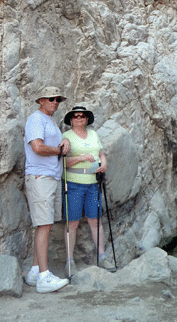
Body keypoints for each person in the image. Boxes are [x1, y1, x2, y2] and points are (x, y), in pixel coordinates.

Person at [24, 86, 70, 293]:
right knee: (43, 225)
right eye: (51, 99)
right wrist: (59, 150)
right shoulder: (36, 119)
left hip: (50, 177)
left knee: (46, 224)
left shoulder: (50, 121)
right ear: (41, 100)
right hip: (40, 176)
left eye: (58, 99)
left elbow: (55, 143)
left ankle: (35, 271)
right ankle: (44, 277)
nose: (55, 102)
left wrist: (65, 140)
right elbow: (38, 147)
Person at [62, 106, 115, 275]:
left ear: (87, 119)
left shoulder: (93, 134)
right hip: (74, 183)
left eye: (82, 116)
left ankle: (102, 257)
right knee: (72, 222)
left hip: (93, 182)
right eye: (76, 116)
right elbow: (64, 162)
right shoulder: (66, 136)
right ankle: (69, 262)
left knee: (96, 220)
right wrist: (81, 158)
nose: (79, 119)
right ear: (71, 119)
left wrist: (104, 164)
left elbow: (100, 153)